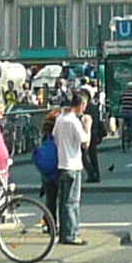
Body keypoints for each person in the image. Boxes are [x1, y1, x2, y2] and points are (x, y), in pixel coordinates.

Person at [49, 92, 92, 245]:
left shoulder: (60, 119)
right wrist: (88, 125)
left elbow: (54, 137)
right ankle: (72, 234)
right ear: (81, 105)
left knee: (63, 202)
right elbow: (85, 141)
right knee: (72, 202)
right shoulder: (74, 121)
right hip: (73, 164)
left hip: (62, 163)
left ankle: (64, 233)